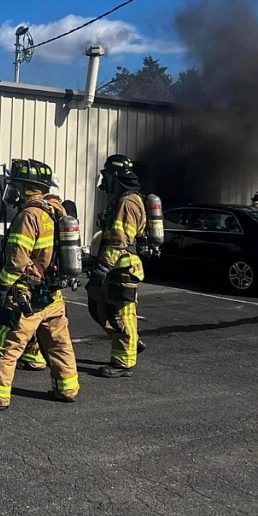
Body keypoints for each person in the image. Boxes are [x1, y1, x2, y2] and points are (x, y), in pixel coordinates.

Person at [0, 158, 80, 410]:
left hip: (28, 294)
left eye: (16, 185)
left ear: (24, 188)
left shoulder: (29, 216)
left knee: (7, 345)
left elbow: (17, 260)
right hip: (53, 294)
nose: (13, 191)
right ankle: (67, 388)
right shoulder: (58, 210)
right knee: (59, 342)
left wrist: (2, 287)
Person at [85, 154, 146, 378]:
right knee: (97, 304)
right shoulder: (118, 200)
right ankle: (132, 341)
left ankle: (123, 362)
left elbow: (120, 239)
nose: (104, 180)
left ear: (116, 177)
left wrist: (103, 266)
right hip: (113, 266)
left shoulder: (128, 202)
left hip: (123, 267)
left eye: (107, 175)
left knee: (120, 315)